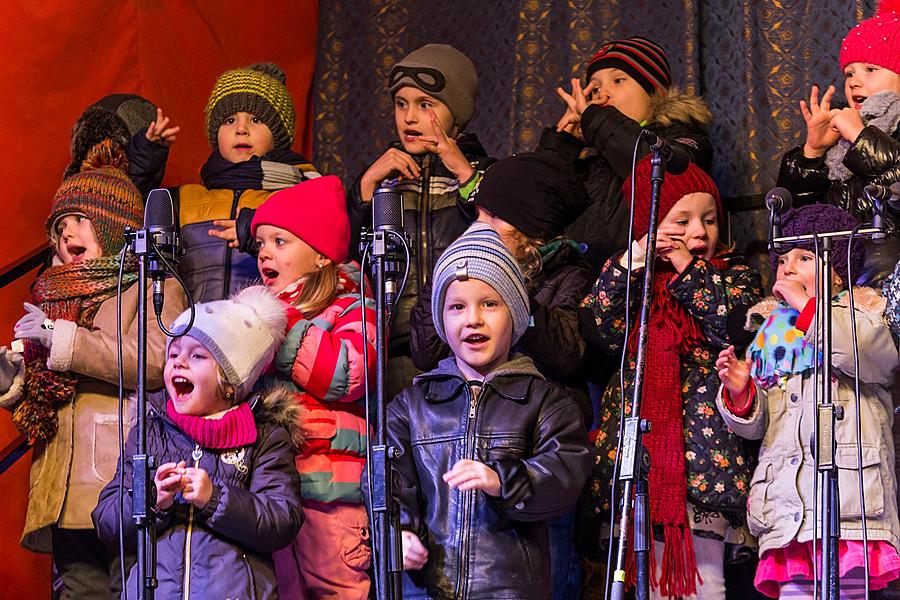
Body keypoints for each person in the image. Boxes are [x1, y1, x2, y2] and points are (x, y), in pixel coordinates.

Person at [0, 140, 186, 597]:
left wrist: (65, 340)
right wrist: (14, 382)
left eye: (80, 220)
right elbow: (49, 395)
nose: (67, 234)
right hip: (61, 493)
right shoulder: (53, 295)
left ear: (112, 224)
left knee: (135, 586)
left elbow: (156, 359)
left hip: (118, 482)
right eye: (61, 226)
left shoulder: (152, 286)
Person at [580, 157, 763, 598]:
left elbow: (735, 324)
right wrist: (634, 259)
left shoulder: (734, 275)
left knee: (704, 584)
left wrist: (685, 267)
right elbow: (599, 328)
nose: (699, 232)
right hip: (639, 463)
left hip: (705, 471)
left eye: (709, 220)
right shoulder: (635, 281)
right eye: (681, 221)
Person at [379, 221, 591, 598]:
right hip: (426, 589)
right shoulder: (412, 406)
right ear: (442, 320)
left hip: (507, 590)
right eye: (457, 307)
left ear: (515, 313)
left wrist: (502, 479)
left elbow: (564, 474)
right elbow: (387, 480)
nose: (473, 318)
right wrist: (399, 531)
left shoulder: (543, 400)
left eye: (489, 304)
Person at [717, 203, 900, 597]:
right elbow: (762, 423)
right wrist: (740, 394)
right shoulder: (771, 332)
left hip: (849, 504)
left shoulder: (862, 311)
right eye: (782, 260)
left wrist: (807, 309)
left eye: (804, 257)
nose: (787, 268)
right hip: (788, 510)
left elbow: (872, 355)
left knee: (848, 591)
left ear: (837, 269)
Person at [93, 286, 304, 598]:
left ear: (229, 383)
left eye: (197, 356)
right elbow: (106, 519)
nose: (178, 363)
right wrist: (151, 499)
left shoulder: (265, 437)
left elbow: (281, 519)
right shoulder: (150, 432)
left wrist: (215, 498)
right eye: (173, 353)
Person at [251, 175, 376, 599]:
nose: (265, 251)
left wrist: (279, 322)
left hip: (330, 496)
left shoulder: (352, 302)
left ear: (321, 254)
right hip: (271, 493)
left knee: (339, 589)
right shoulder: (259, 311)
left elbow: (350, 373)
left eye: (280, 241)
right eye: (261, 244)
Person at [347, 43, 494, 401]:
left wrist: (463, 172)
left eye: (425, 105)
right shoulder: (384, 181)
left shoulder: (484, 173)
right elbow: (350, 259)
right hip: (393, 352)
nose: (409, 117)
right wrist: (364, 191)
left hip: (463, 348)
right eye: (401, 104)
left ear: (455, 113)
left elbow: (498, 237)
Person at [547, 35, 713, 272]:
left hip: (644, 287)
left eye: (618, 80)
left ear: (657, 92)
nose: (602, 95)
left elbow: (658, 170)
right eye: (594, 88)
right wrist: (563, 143)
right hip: (579, 292)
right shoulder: (590, 161)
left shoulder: (687, 141)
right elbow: (527, 212)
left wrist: (596, 121)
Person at [165, 62, 321, 303]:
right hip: (194, 334)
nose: (241, 130)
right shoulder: (183, 198)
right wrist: (146, 159)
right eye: (229, 120)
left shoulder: (301, 194)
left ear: (277, 135)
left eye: (256, 119)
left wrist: (261, 238)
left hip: (272, 333)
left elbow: (319, 272)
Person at [777, 0, 900, 284]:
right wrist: (813, 151)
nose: (856, 81)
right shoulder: (840, 136)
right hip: (838, 274)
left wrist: (861, 137)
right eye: (850, 73)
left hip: (888, 280)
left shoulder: (861, 131)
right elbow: (794, 216)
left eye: (871, 69)